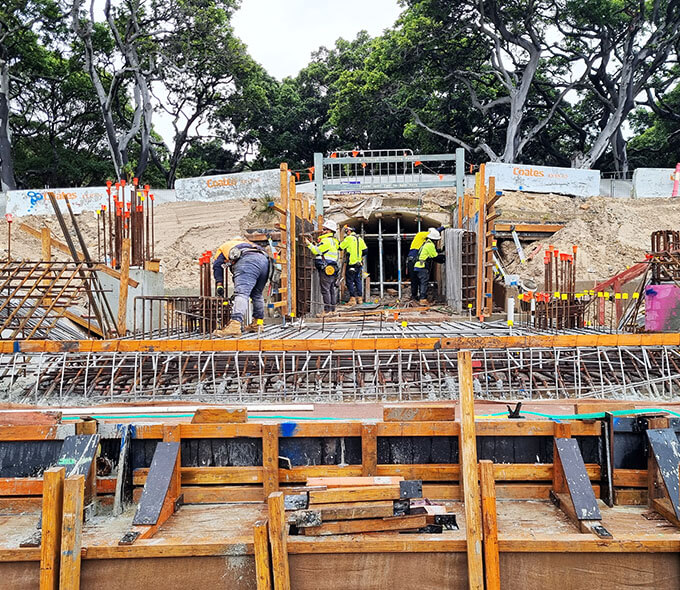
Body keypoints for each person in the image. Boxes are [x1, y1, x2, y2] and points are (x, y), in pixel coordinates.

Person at [212, 237, 269, 337]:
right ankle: (258, 324)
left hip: (247, 261)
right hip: (265, 262)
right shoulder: (249, 244)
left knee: (242, 293)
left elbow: (217, 265)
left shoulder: (225, 246)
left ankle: (234, 325)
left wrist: (219, 284)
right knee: (257, 294)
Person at [306, 220, 340, 314]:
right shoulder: (334, 241)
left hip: (326, 268)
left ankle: (327, 311)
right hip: (332, 268)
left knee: (325, 290)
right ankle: (332, 310)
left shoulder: (326, 241)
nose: (323, 231)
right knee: (331, 289)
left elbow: (316, 251)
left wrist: (309, 244)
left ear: (329, 231)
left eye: (325, 229)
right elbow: (323, 250)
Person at [407, 225, 445, 300]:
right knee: (420, 280)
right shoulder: (421, 235)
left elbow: (428, 251)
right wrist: (442, 228)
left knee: (417, 280)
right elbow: (433, 255)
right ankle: (420, 297)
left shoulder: (425, 243)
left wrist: (439, 251)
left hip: (415, 262)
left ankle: (416, 296)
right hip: (415, 262)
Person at [339, 225, 367, 305]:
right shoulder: (360, 239)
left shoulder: (348, 239)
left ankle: (352, 299)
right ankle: (360, 298)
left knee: (350, 281)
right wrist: (358, 256)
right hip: (358, 264)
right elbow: (365, 251)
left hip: (351, 263)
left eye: (346, 231)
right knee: (358, 280)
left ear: (349, 231)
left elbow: (340, 247)